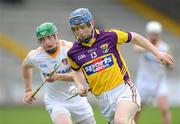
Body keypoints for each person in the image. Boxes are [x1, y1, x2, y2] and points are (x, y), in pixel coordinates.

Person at [67, 8, 174, 124]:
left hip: (123, 90)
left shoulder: (110, 36)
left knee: (120, 121)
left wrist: (157, 53)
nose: (80, 32)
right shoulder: (73, 53)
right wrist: (79, 85)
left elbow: (134, 37)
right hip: (102, 100)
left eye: (82, 27)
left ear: (91, 23)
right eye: (76, 29)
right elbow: (76, 70)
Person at [22, 22, 96, 124]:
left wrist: (58, 77)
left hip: (77, 98)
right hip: (55, 102)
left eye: (49, 37)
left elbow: (81, 76)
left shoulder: (71, 49)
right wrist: (28, 90)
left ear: (57, 36)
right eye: (42, 39)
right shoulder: (35, 56)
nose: (47, 42)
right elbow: (25, 66)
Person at [134, 21, 172, 124]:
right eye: (151, 33)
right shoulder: (144, 44)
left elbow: (171, 65)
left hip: (159, 81)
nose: (153, 36)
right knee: (137, 110)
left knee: (164, 109)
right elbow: (136, 49)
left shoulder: (164, 47)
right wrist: (148, 48)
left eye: (155, 34)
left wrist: (168, 64)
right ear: (148, 33)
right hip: (144, 81)